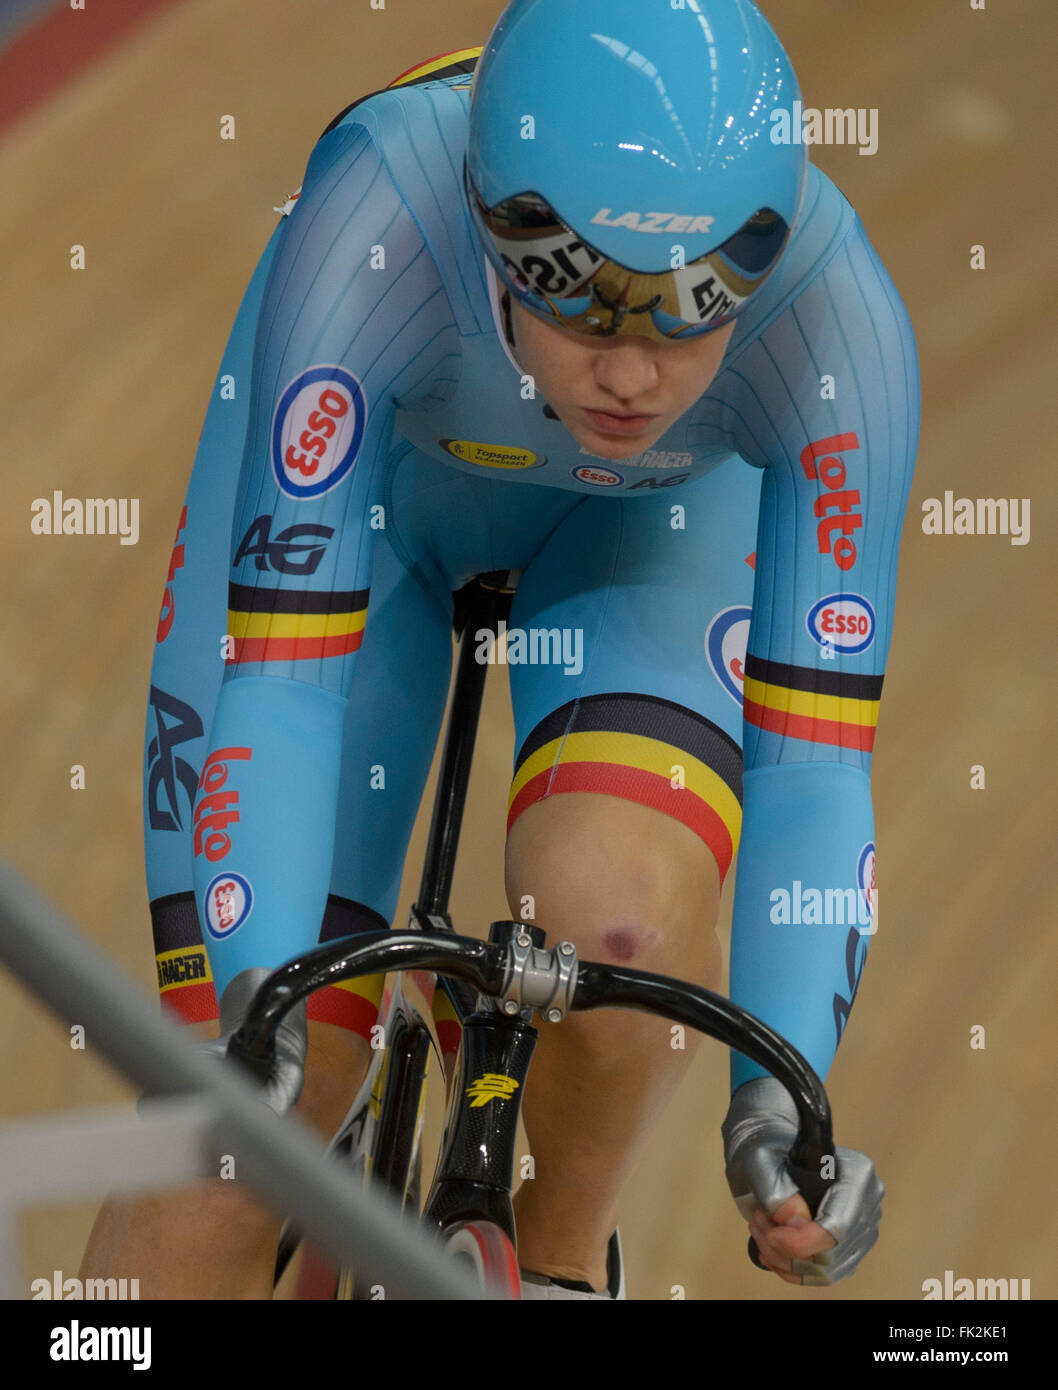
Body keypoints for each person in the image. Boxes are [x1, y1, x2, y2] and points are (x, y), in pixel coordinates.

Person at [82, 0, 914, 1299]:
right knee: (214, 1175)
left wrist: (776, 1105)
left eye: (685, 322)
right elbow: (283, 684)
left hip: (647, 540)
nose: (631, 379)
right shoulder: (378, 216)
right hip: (379, 513)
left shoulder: (835, 320)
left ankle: (565, 1245)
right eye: (581, 310)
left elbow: (810, 769)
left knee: (620, 925)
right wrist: (262, 1011)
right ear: (490, 234)